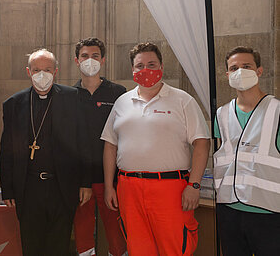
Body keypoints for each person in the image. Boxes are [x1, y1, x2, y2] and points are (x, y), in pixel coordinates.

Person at [101, 42, 210, 256]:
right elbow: (110, 145)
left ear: (161, 66)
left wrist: (194, 185)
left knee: (175, 248)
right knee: (137, 248)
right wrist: (108, 186)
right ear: (133, 70)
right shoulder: (122, 102)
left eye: (151, 64)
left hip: (170, 188)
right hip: (128, 188)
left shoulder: (182, 100)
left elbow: (202, 142)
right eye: (139, 65)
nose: (145, 70)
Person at [0, 48, 92, 256]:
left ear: (56, 71)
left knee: (58, 245)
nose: (42, 75)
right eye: (36, 70)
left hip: (62, 186)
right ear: (28, 72)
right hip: (28, 188)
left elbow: (84, 142)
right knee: (31, 245)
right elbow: (6, 150)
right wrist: (7, 188)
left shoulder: (74, 98)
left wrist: (86, 181)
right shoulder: (14, 104)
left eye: (47, 69)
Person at [213, 46, 280, 256]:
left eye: (246, 66)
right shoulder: (221, 114)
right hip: (229, 210)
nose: (240, 71)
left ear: (259, 71)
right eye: (234, 68)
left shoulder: (276, 111)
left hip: (268, 213)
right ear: (227, 75)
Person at [72, 38, 127, 256]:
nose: (90, 60)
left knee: (116, 234)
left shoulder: (118, 92)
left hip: (111, 179)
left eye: (95, 56)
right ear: (77, 61)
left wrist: (112, 182)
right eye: (85, 56)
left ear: (103, 60)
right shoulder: (68, 96)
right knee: (83, 235)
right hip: (80, 180)